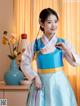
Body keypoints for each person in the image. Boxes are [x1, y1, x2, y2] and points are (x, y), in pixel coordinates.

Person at [20, 8, 80, 106]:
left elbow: (76, 63)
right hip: (40, 82)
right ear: (42, 23)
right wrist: (35, 77)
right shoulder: (34, 44)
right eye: (49, 22)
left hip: (59, 83)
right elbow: (24, 63)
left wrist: (67, 50)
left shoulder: (63, 43)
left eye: (55, 22)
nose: (54, 25)